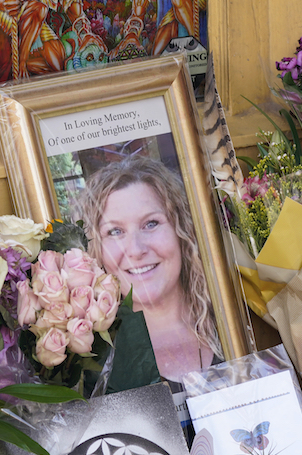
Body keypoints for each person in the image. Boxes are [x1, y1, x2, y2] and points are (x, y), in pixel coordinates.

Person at [78, 156, 221, 382]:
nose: (135, 250)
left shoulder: (237, 323)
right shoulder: (89, 365)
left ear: (183, 231)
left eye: (151, 224)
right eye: (115, 231)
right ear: (96, 251)